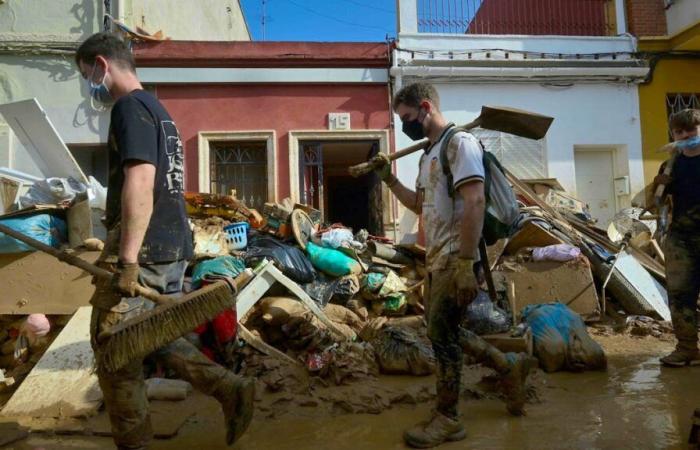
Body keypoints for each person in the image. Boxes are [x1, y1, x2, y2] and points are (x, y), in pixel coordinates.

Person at [75, 32, 254, 449]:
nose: (90, 85)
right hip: (172, 243)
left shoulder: (129, 108)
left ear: (102, 65)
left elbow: (140, 180)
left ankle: (134, 444)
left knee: (113, 348)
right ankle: (228, 387)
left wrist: (127, 261)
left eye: (88, 75)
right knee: (149, 334)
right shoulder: (158, 110)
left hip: (148, 248)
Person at [372, 82, 536, 448]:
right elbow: (419, 205)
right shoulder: (428, 154)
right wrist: (389, 179)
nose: (405, 126)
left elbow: (475, 201)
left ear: (426, 106)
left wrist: (465, 263)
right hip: (437, 257)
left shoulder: (459, 144)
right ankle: (509, 366)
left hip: (456, 257)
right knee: (443, 329)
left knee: (442, 336)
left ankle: (448, 418)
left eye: (408, 118)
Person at [654, 109, 700, 367]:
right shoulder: (671, 164)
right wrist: (657, 186)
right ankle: (687, 348)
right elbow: (657, 203)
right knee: (681, 295)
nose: (686, 135)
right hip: (681, 238)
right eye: (680, 132)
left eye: (691, 130)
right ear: (673, 135)